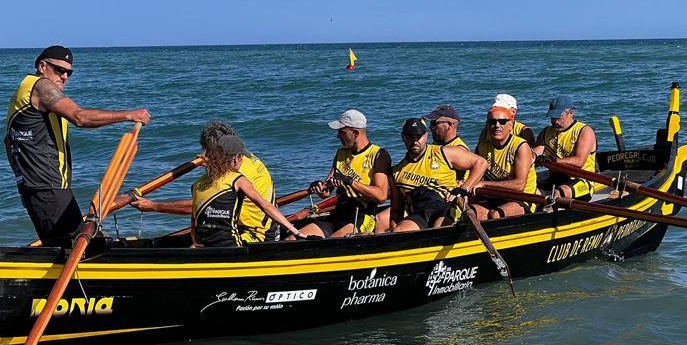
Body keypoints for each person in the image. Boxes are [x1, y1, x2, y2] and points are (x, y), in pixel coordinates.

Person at [5, 45, 151, 246]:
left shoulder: (24, 91)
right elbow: (80, 117)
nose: (64, 77)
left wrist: (23, 185)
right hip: (48, 187)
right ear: (42, 66)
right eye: (59, 70)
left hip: (43, 188)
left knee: (85, 242)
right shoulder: (41, 86)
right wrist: (129, 115)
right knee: (75, 248)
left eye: (69, 73)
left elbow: (9, 142)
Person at [130, 121, 281, 243]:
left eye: (207, 150)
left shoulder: (234, 173)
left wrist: (154, 206)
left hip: (255, 236)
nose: (204, 154)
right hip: (272, 229)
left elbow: (199, 206)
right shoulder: (242, 156)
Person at [187, 133, 302, 247]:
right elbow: (265, 206)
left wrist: (196, 245)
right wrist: (295, 231)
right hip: (230, 246)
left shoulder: (197, 184)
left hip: (203, 244)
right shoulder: (238, 180)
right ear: (236, 158)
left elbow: (194, 224)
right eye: (241, 156)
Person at [296, 109, 392, 238]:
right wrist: (318, 186)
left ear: (355, 133)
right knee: (293, 238)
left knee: (331, 244)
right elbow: (326, 192)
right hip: (338, 215)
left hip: (362, 217)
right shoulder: (341, 154)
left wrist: (351, 182)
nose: (338, 136)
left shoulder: (379, 155)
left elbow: (381, 196)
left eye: (342, 132)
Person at [390, 118, 487, 232]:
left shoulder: (443, 153)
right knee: (399, 231)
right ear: (403, 137)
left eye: (418, 136)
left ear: (426, 136)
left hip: (446, 207)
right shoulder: (396, 172)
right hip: (420, 213)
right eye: (410, 136)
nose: (415, 140)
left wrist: (464, 188)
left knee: (439, 232)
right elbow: (396, 210)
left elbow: (481, 163)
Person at [471, 99, 539, 219]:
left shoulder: (521, 146)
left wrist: (483, 184)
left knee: (495, 215)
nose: (497, 126)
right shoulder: (482, 146)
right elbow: (476, 176)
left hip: (522, 198)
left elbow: (519, 185)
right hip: (494, 195)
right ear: (487, 125)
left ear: (510, 125)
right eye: (492, 122)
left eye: (502, 122)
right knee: (471, 212)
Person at [533, 95, 598, 200]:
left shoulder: (584, 131)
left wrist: (554, 160)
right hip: (555, 178)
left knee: (559, 192)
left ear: (571, 113)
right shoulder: (546, 132)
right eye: (552, 117)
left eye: (559, 117)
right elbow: (535, 154)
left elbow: (579, 161)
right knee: (528, 187)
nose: (555, 121)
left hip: (581, 180)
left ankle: (548, 202)